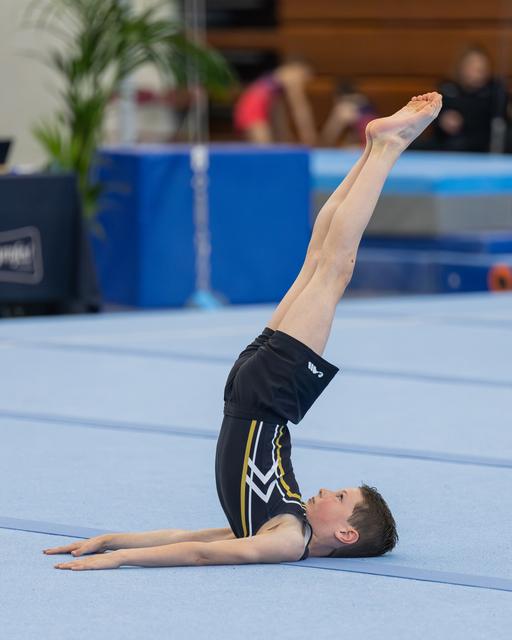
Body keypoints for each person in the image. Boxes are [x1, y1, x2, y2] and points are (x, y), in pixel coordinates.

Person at [44, 92, 443, 571]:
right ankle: (373, 151)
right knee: (321, 261)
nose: (324, 489)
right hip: (255, 396)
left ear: (345, 532)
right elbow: (191, 537)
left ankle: (385, 149)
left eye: (339, 495)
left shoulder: (286, 539)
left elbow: (199, 549)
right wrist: (113, 542)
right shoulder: (284, 521)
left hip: (264, 397)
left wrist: (120, 555)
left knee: (333, 269)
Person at [413, 46, 508, 152]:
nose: (478, 72)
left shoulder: (495, 91)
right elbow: (433, 121)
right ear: (461, 67)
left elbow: (500, 121)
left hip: (482, 145)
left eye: (481, 69)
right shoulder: (447, 88)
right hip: (448, 143)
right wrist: (442, 120)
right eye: (473, 67)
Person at [233, 56, 317, 145]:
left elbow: (279, 115)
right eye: (308, 76)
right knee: (264, 152)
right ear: (302, 69)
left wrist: (285, 135)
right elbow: (299, 108)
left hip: (247, 107)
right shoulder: (292, 75)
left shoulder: (278, 82)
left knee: (264, 151)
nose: (306, 81)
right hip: (252, 110)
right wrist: (309, 135)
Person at [321, 81, 378, 148]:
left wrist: (320, 146)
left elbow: (329, 136)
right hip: (377, 143)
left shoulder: (344, 107)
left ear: (336, 96)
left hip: (370, 146)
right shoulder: (364, 101)